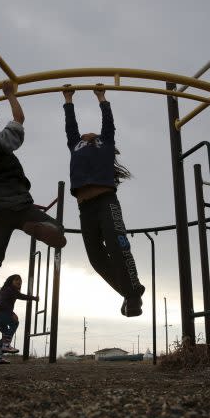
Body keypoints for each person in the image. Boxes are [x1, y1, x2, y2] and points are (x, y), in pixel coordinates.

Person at [0, 80, 67, 277]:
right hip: (19, 207)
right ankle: (38, 228)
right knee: (58, 230)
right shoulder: (0, 143)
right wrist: (10, 94)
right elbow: (19, 118)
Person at [62, 84, 145, 317]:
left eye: (94, 134)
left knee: (118, 246)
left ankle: (133, 294)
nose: (87, 133)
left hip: (106, 201)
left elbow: (108, 122)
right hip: (84, 208)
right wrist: (68, 99)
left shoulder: (105, 142)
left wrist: (101, 97)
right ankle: (131, 294)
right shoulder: (75, 144)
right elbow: (71, 126)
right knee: (96, 259)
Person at [0, 274, 38, 364]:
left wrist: (34, 298)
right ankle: (6, 345)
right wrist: (11, 314)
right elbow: (2, 303)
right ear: (11, 281)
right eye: (16, 280)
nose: (19, 282)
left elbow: (22, 296)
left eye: (20, 281)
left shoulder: (13, 291)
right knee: (15, 322)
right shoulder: (8, 290)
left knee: (5, 334)